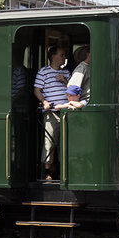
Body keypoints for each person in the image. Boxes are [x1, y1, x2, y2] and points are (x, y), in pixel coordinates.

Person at [33, 45, 70, 181]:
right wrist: (44, 102)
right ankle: (47, 172)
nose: (64, 57)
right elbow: (37, 90)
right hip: (51, 112)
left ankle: (62, 172)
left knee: (64, 143)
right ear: (53, 56)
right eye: (62, 55)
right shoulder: (43, 72)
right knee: (49, 142)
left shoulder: (66, 72)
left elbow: (73, 90)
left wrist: (65, 81)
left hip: (66, 113)